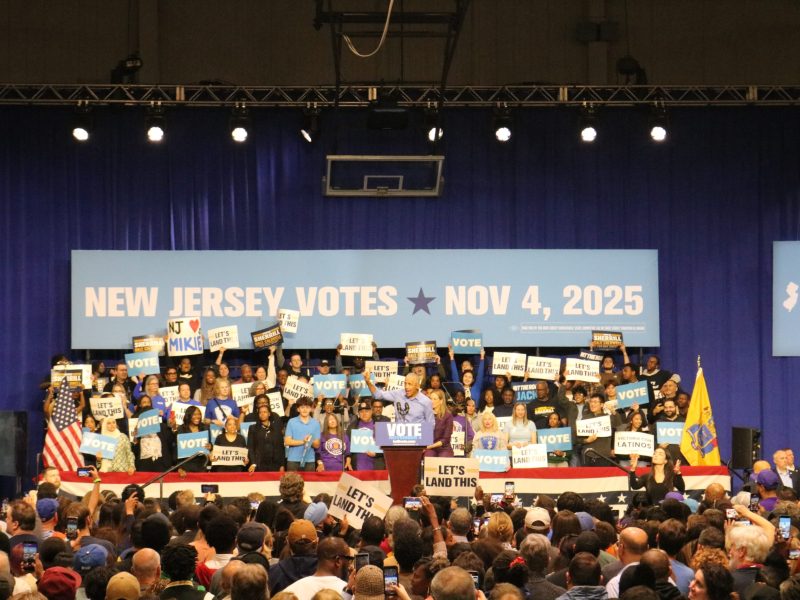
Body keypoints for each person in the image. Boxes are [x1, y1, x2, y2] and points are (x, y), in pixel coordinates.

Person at [283, 536, 353, 599]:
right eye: (349, 559)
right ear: (338, 561)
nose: (350, 565)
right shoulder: (350, 594)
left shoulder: (291, 591)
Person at [364, 370, 434, 426]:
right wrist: (368, 382)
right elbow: (378, 395)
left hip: (418, 440)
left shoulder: (426, 402)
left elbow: (431, 424)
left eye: (410, 384)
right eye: (405, 383)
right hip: (399, 438)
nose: (406, 387)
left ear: (417, 386)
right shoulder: (398, 394)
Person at [247, 399, 285, 472]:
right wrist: (253, 463)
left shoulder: (277, 428)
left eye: (265, 412)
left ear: (269, 413)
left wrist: (282, 465)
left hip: (275, 465)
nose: (262, 414)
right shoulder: (253, 428)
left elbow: (281, 448)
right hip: (259, 466)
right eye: (260, 412)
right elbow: (250, 447)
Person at [284, 397, 322, 471]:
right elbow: (287, 441)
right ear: (298, 409)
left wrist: (310, 440)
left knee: (309, 483)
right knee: (292, 482)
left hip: (309, 461)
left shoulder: (316, 423)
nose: (305, 410)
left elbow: (317, 445)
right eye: (302, 407)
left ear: (311, 409)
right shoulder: (291, 422)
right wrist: (303, 441)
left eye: (307, 407)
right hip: (293, 460)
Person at [345, 401, 384, 471]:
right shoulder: (352, 426)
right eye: (361, 412)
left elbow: (386, 449)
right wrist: (348, 458)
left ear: (371, 411)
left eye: (366, 411)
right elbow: (347, 445)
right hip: (357, 467)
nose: (364, 414)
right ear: (358, 414)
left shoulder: (379, 425)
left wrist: (376, 454)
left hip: (376, 466)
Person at [176, 405, 210, 473]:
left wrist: (210, 446)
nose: (197, 417)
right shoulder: (181, 429)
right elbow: (177, 450)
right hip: (186, 465)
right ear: (188, 415)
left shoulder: (205, 427)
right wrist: (179, 467)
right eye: (194, 414)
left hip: (202, 464)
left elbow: (210, 444)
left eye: (199, 414)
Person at [425, 389, 454, 457]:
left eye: (435, 399)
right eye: (430, 398)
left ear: (441, 401)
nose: (431, 401)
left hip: (444, 448)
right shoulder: (426, 415)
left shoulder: (448, 416)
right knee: (428, 457)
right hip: (429, 448)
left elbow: (445, 439)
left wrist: (430, 446)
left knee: (443, 459)